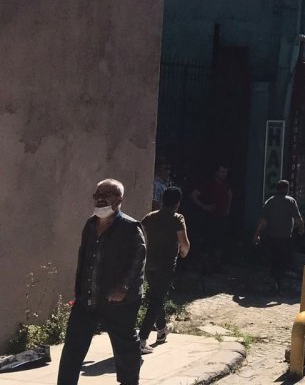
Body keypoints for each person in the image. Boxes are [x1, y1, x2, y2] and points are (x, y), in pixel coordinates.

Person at [57, 179, 145, 385]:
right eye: (97, 194)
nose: (100, 198)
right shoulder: (89, 224)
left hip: (118, 301)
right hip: (87, 297)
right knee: (72, 348)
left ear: (119, 200)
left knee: (125, 346)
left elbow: (138, 258)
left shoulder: (131, 227)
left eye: (107, 194)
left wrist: (124, 286)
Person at [138, 186, 191, 352]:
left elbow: (138, 234)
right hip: (166, 264)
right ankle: (142, 338)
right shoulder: (177, 218)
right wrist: (183, 252)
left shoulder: (149, 217)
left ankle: (161, 330)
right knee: (156, 300)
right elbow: (184, 243)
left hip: (149, 263)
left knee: (156, 296)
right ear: (178, 203)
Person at [253, 180, 304, 292]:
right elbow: (298, 218)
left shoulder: (270, 201)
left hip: (272, 236)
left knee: (274, 259)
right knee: (283, 260)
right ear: (286, 189)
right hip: (285, 236)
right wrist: (301, 228)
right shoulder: (291, 201)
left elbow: (262, 220)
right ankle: (279, 281)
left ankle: (274, 279)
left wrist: (257, 234)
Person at [190, 164, 232, 273]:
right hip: (209, 218)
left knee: (220, 242)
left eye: (225, 172)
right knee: (208, 242)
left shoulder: (226, 184)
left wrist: (227, 209)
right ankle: (205, 266)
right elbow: (194, 195)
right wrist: (204, 206)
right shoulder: (208, 184)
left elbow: (229, 194)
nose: (223, 174)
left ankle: (217, 265)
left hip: (222, 217)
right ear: (216, 172)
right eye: (221, 172)